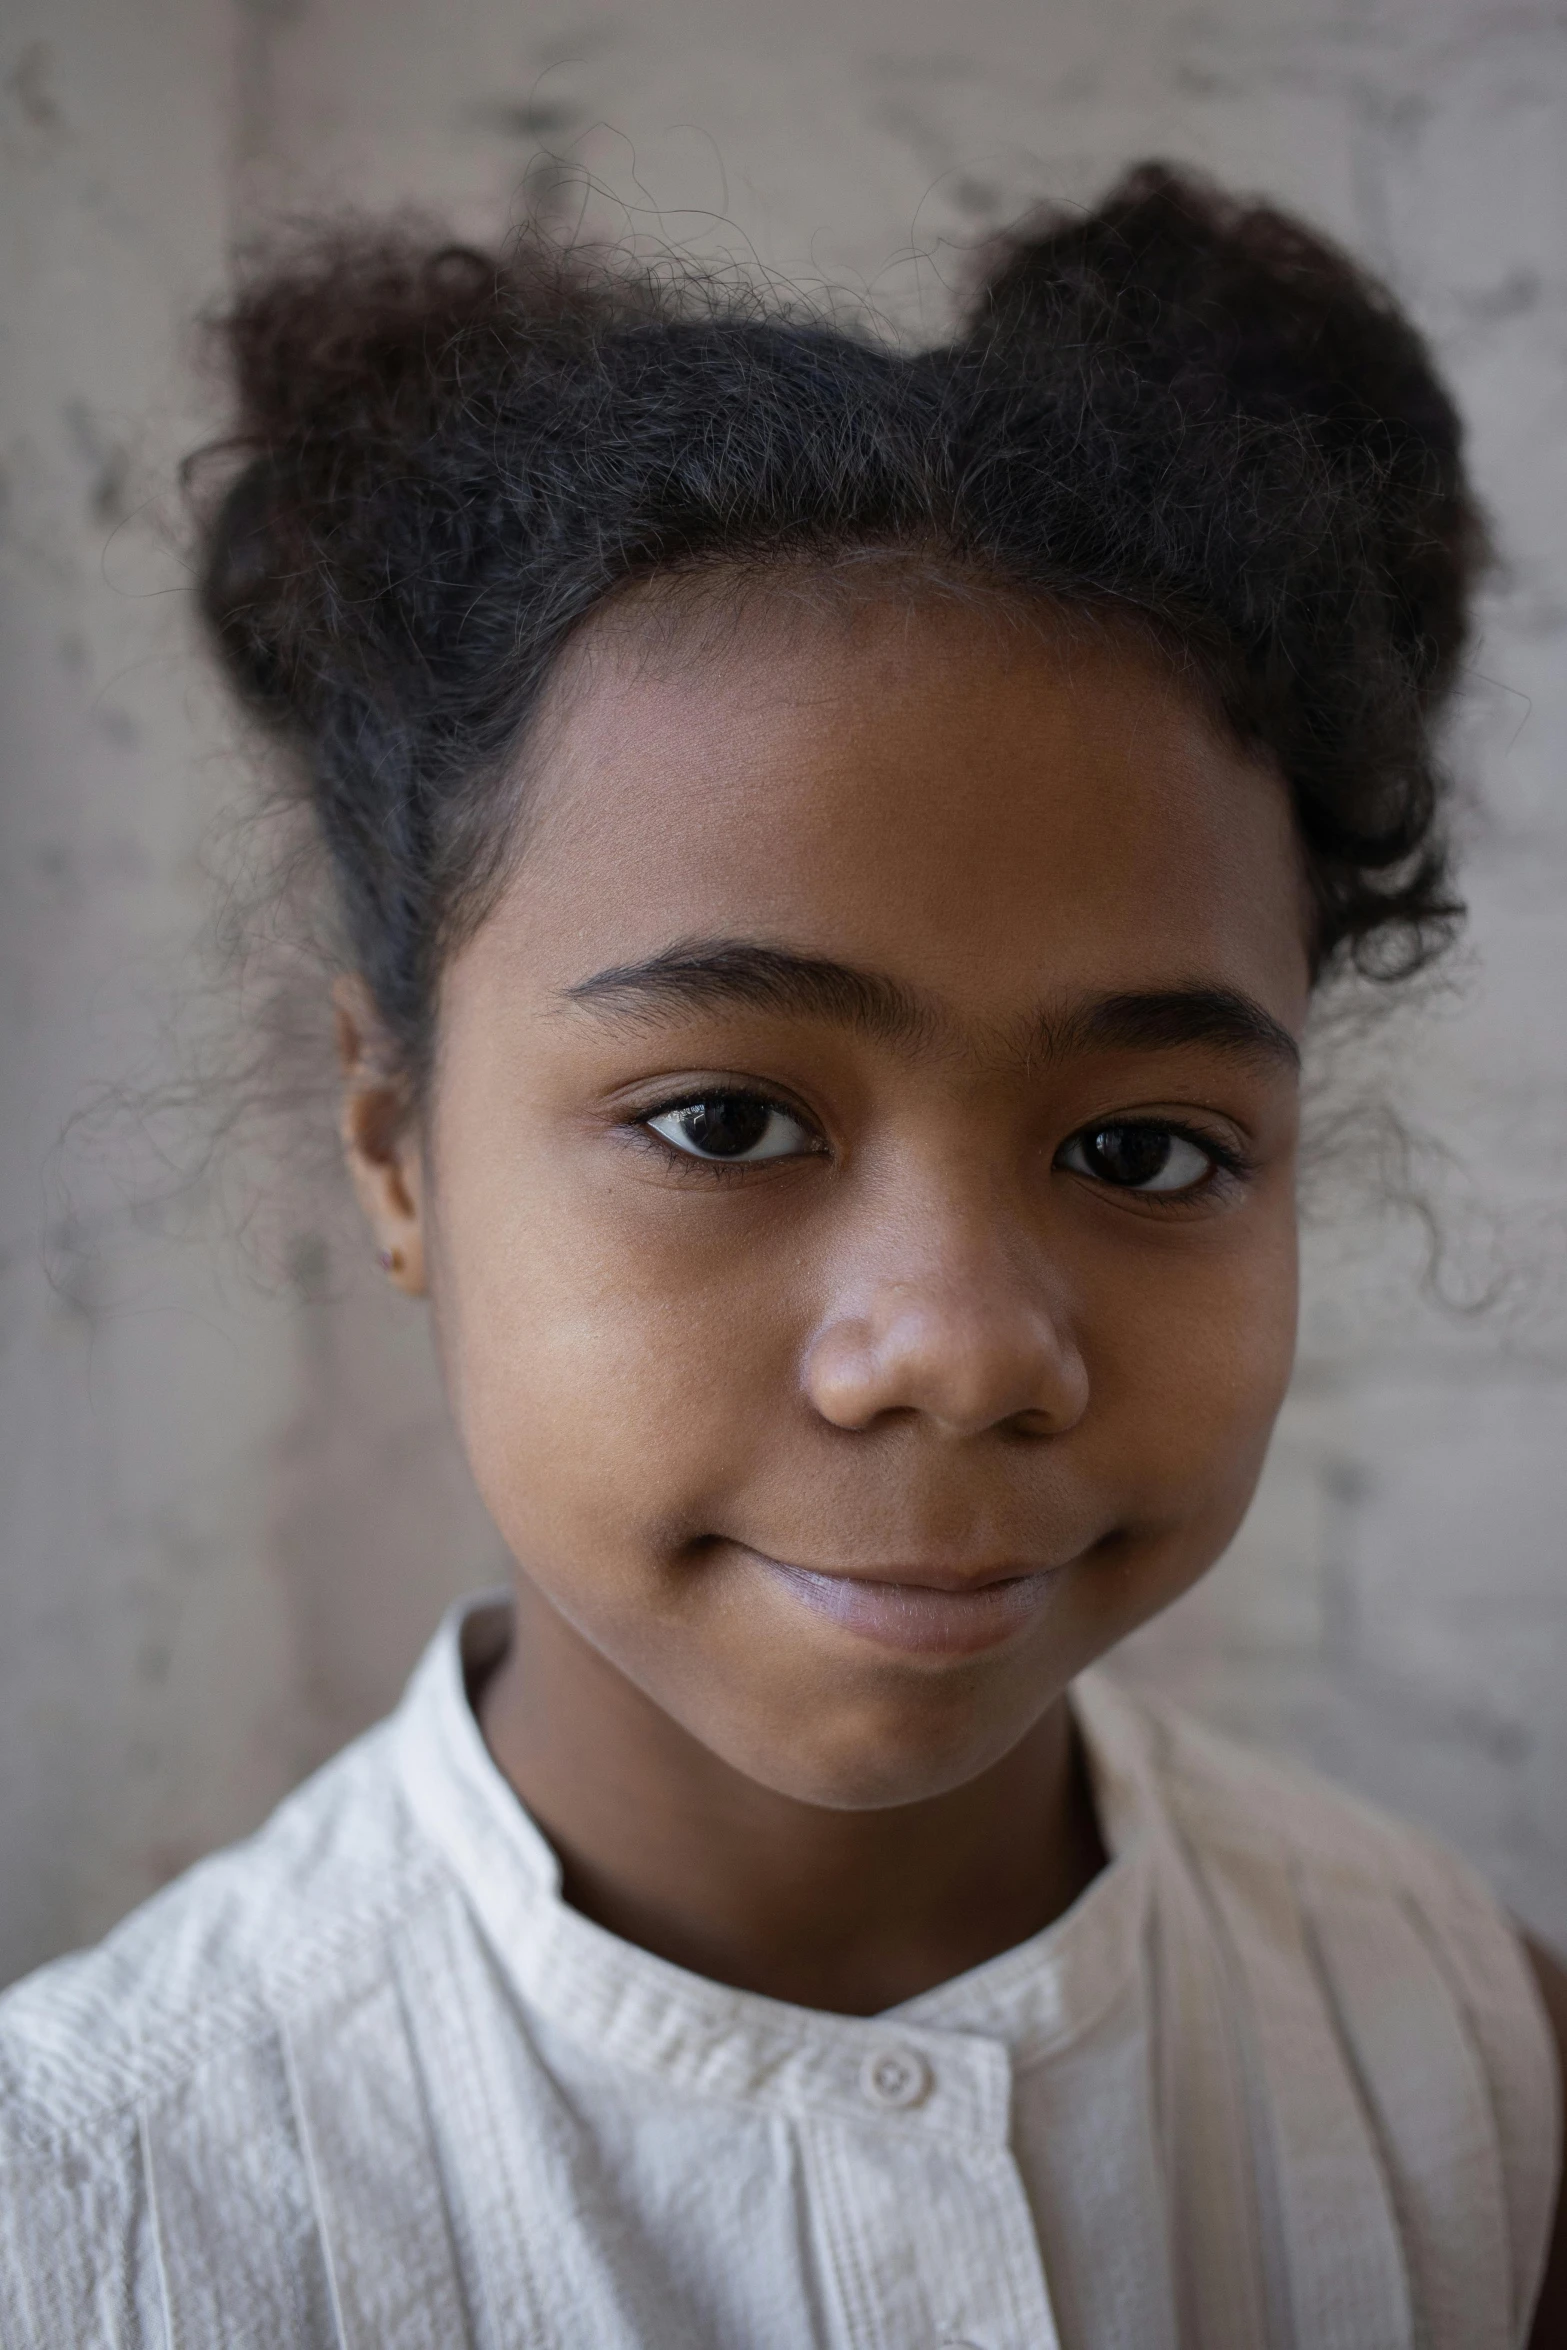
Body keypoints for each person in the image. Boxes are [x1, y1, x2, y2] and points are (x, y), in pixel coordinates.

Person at [0, 161, 1561, 2349]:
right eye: (722, 1120)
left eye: (1145, 1145)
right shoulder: (100, 2212)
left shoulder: (1475, 2074)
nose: (956, 1347)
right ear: (396, 1145)